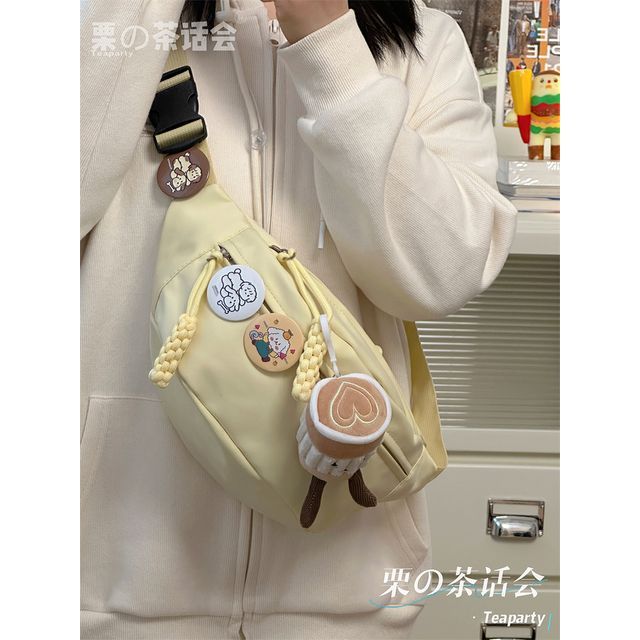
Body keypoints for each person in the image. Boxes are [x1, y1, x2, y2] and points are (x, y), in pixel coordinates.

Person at [80, 1, 517, 638]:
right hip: (118, 575)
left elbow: (443, 273)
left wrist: (331, 46)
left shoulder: (424, 43)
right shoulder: (104, 23)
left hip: (348, 582)